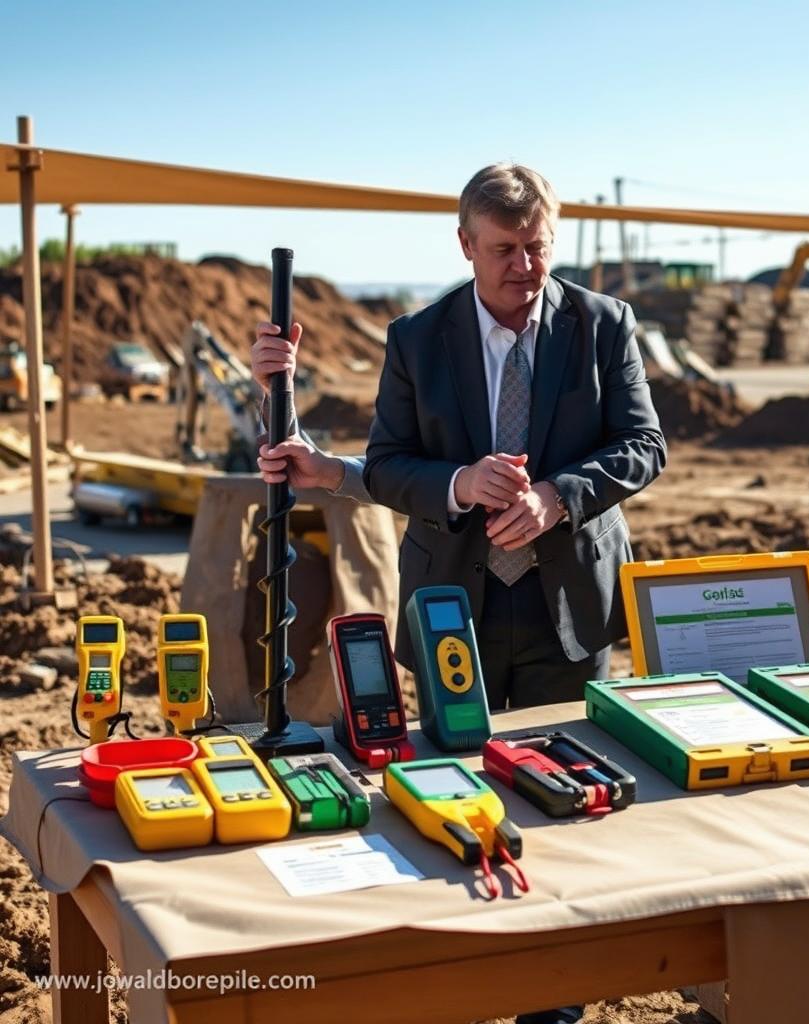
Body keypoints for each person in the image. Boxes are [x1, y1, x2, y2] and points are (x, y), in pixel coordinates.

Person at [253, 163, 666, 1024]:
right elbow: (394, 462)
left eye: (538, 247)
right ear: (465, 246)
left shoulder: (603, 325)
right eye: (505, 250)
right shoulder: (417, 338)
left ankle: (555, 1002)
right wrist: (459, 482)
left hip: (567, 613)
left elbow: (642, 447)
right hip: (451, 614)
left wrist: (558, 497)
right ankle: (466, 974)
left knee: (566, 803)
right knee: (452, 794)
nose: (525, 266)